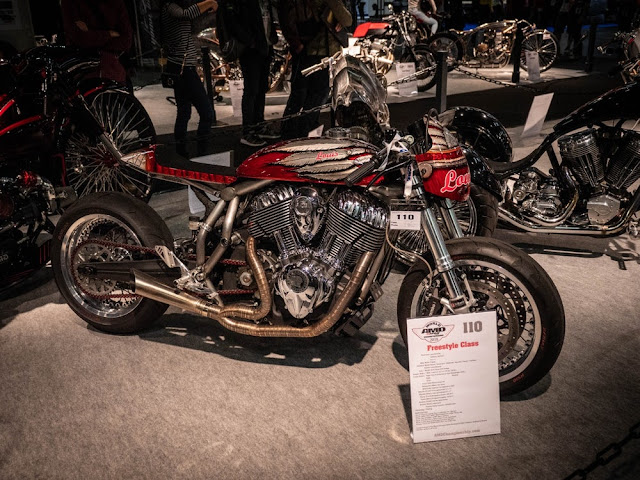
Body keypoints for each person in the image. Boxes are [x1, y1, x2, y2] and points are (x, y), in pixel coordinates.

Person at [278, 0, 352, 140]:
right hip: (314, 50)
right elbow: (347, 19)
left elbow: (346, 20)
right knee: (312, 93)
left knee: (308, 93)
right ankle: (302, 130)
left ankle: (297, 130)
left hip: (312, 50)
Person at [219, 0, 279, 147]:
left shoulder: (266, 3)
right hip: (251, 50)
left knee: (261, 88)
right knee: (252, 89)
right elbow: (232, 22)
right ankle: (248, 131)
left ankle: (259, 125)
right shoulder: (244, 4)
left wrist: (270, 38)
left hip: (264, 47)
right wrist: (250, 41)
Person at [161, 0, 217, 153]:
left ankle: (182, 152)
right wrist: (210, 2)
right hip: (183, 69)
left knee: (184, 112)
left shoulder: (174, 8)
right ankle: (202, 152)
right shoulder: (171, 7)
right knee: (206, 112)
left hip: (182, 67)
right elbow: (187, 14)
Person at [60, 0, 133, 85]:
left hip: (112, 73)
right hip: (83, 73)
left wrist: (92, 35)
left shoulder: (115, 2)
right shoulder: (71, 2)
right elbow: (80, 37)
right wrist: (110, 34)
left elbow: (126, 40)